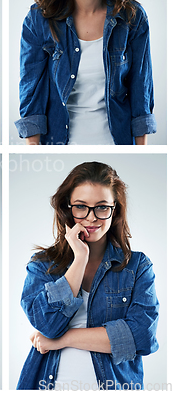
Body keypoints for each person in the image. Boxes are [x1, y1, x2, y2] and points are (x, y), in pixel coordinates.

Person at [15, 0, 156, 145]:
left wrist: (140, 150)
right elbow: (32, 94)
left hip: (117, 143)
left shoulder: (132, 16)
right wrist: (34, 152)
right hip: (58, 145)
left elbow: (141, 90)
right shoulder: (40, 19)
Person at [17, 162, 158, 389]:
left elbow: (142, 336)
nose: (91, 218)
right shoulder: (42, 265)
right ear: (67, 208)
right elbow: (47, 324)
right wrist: (79, 259)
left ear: (115, 210)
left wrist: (62, 339)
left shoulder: (137, 266)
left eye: (102, 207)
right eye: (81, 207)